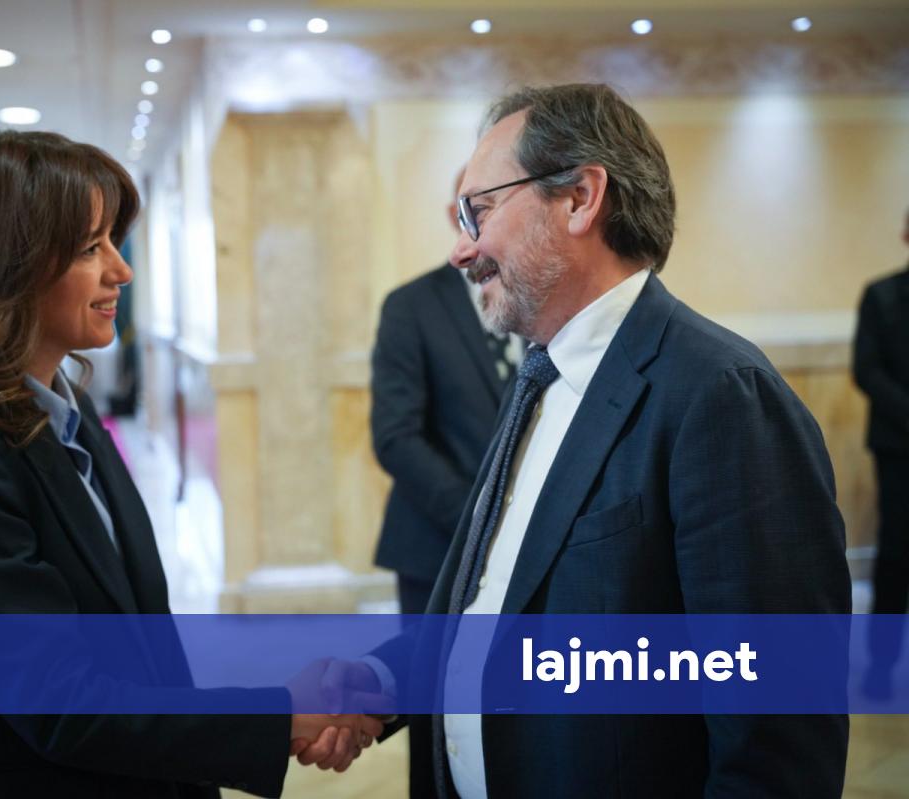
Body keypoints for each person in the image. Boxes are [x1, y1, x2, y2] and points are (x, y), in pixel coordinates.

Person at [318, 83, 851, 797]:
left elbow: (777, 741)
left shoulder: (722, 396)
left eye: (480, 210)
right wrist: (379, 680)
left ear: (579, 198)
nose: (461, 250)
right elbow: (496, 602)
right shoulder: (539, 375)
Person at [0, 130, 382, 799]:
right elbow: (58, 701)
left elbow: (137, 647)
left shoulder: (69, 406)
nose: (121, 270)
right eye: (91, 248)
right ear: (6, 264)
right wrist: (280, 716)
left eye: (113, 241)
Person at [369, 170, 516, 798]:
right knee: (434, 708)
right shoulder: (411, 306)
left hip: (528, 553)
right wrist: (483, 523)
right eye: (469, 209)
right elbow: (395, 436)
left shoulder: (539, 305)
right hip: (436, 545)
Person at [854, 209, 909, 692]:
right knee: (895, 555)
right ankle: (881, 665)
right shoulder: (882, 295)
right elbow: (866, 370)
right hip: (899, 447)